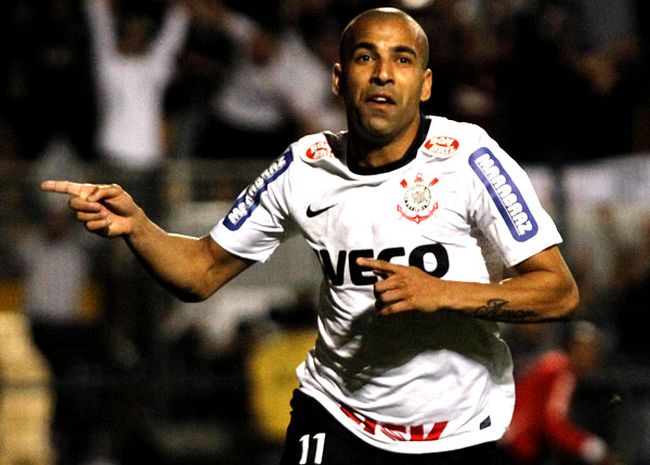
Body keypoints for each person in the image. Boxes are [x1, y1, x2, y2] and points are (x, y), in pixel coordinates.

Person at [41, 7, 579, 464]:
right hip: (337, 415)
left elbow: (558, 291)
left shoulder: (469, 159)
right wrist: (139, 227)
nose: (383, 74)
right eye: (366, 58)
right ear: (339, 79)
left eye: (402, 60)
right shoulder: (304, 167)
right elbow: (200, 272)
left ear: (426, 84)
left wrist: (444, 293)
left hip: (458, 429)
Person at [500, 321, 624, 465]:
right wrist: (593, 448)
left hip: (513, 439)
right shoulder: (560, 369)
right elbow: (553, 422)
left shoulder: (554, 362)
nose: (592, 358)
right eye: (587, 350)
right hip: (516, 444)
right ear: (573, 347)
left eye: (595, 352)